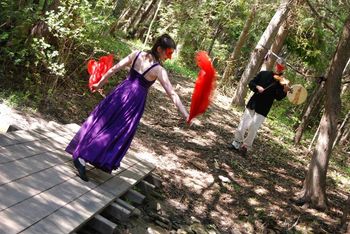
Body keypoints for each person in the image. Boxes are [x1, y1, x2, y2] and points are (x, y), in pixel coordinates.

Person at [66, 34, 189, 181]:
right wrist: (186, 114)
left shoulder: (136, 54)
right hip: (134, 101)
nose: (169, 57)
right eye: (168, 52)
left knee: (103, 120)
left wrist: (100, 83)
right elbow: (171, 93)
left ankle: (92, 156)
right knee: (116, 129)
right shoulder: (158, 70)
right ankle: (84, 156)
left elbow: (114, 69)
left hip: (121, 91)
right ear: (159, 49)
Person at [230, 59, 289, 156]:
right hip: (254, 102)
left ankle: (245, 147)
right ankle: (236, 143)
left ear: (283, 69)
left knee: (253, 127)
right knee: (244, 123)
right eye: (278, 65)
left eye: (281, 68)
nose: (279, 69)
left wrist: (285, 91)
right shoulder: (263, 73)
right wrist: (257, 87)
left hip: (264, 108)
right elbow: (251, 83)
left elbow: (278, 97)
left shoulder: (282, 83)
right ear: (275, 64)